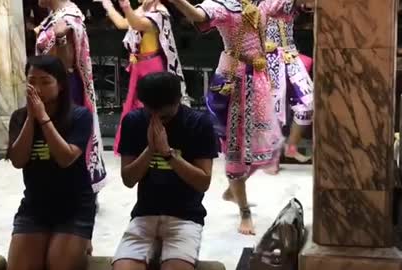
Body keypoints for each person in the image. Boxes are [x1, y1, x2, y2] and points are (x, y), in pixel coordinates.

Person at [158, 0, 287, 235]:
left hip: (258, 81)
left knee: (268, 146)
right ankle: (244, 211)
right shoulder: (224, 7)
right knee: (236, 149)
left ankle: (234, 189)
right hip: (234, 85)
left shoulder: (258, 3)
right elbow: (198, 14)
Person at [113, 72, 218, 270]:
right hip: (144, 214)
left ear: (179, 100)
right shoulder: (133, 121)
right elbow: (128, 179)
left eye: (164, 116)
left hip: (185, 217)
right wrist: (150, 149)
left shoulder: (198, 123)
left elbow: (203, 182)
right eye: (149, 112)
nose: (156, 120)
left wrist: (168, 154)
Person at [6, 55, 96, 270]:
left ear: (61, 85)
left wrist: (43, 119)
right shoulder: (19, 117)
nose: (37, 88)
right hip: (35, 207)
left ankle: (81, 241)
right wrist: (31, 118)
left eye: (45, 82)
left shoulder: (80, 116)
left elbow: (65, 158)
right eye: (32, 81)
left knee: (59, 264)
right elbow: (18, 161)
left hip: (74, 207)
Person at [34, 0, 107, 253]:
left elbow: (65, 64)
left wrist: (61, 37)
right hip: (50, 87)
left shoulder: (69, 16)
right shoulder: (55, 15)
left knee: (70, 148)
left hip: (63, 90)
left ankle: (79, 223)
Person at [97, 0, 190, 154]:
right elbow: (123, 23)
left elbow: (137, 24)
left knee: (150, 108)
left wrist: (125, 5)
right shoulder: (143, 9)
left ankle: (156, 146)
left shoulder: (159, 11)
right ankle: (140, 147)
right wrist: (107, 5)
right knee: (137, 108)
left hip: (152, 66)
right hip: (140, 65)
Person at [264, 0, 313, 171]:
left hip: (289, 54)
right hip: (267, 55)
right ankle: (272, 157)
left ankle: (291, 146)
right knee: (273, 107)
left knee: (308, 103)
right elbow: (263, 11)